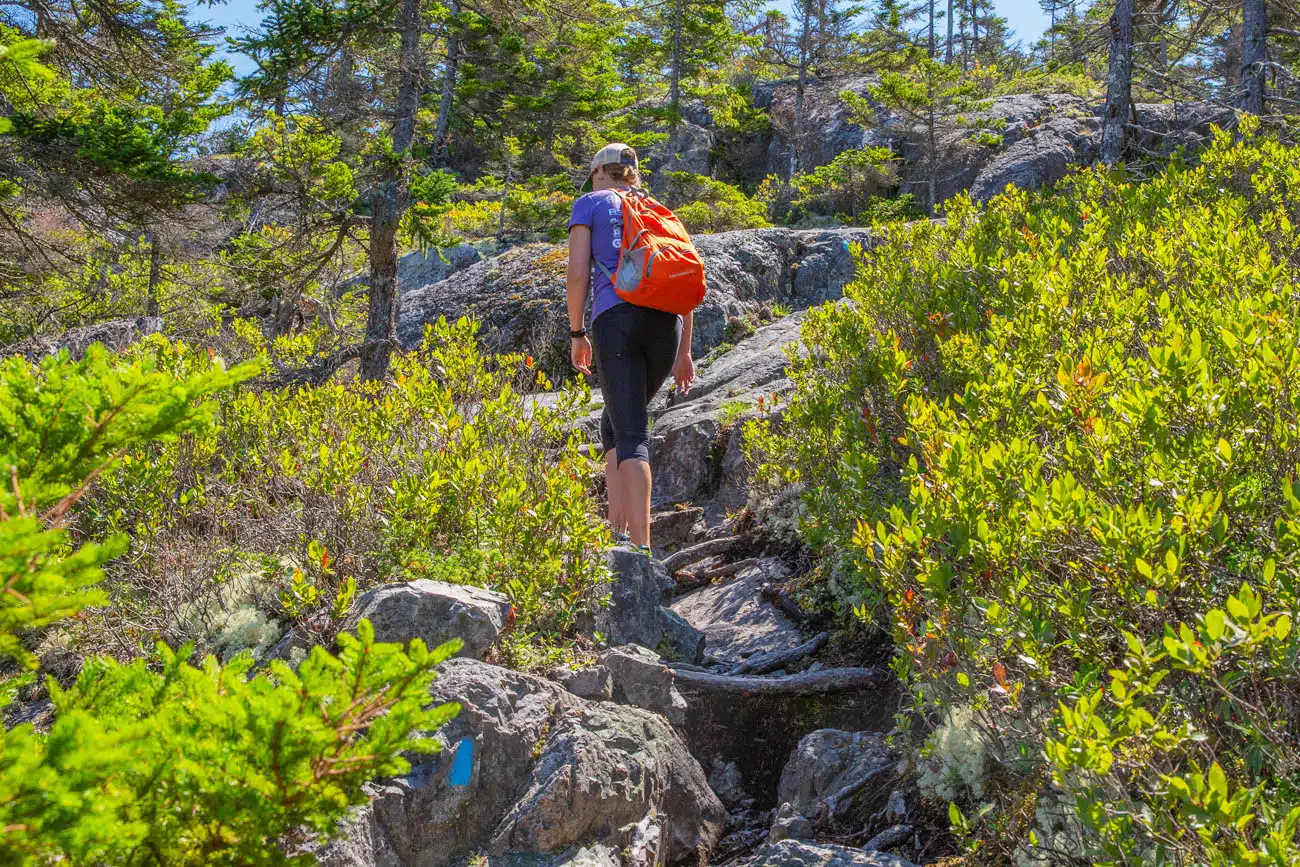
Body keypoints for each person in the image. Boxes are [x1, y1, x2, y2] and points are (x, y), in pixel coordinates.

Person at [566, 143, 694, 551]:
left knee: (631, 433)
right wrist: (684, 351)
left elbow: (577, 275)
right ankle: (617, 534)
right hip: (666, 326)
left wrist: (576, 333)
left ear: (597, 172)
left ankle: (639, 552)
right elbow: (682, 280)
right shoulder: (658, 210)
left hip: (616, 321)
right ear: (633, 174)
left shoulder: (589, 203)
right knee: (614, 426)